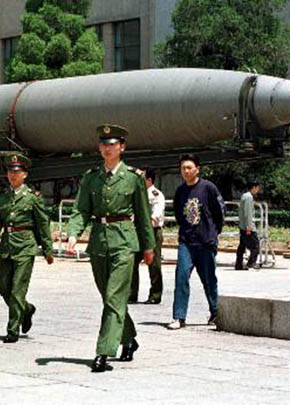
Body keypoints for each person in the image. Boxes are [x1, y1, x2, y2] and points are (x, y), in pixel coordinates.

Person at [66, 124, 155, 373]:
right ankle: (129, 338)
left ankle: (103, 352)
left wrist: (148, 247)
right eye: (104, 144)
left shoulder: (133, 178)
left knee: (115, 297)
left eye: (113, 144)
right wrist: (73, 232)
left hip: (125, 242)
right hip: (99, 243)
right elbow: (81, 209)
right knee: (109, 298)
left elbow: (143, 215)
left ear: (122, 147)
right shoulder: (91, 177)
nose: (107, 148)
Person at [0, 153, 54, 343]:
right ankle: (27, 309)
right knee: (4, 289)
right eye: (10, 171)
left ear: (25, 174)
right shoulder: (2, 197)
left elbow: (42, 224)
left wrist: (48, 249)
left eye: (17, 172)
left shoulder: (33, 198)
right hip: (6, 246)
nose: (13, 175)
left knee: (17, 290)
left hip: (25, 246)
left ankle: (12, 329)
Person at [168, 153, 225, 330]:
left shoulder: (208, 188)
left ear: (197, 169)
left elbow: (219, 212)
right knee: (181, 276)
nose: (185, 171)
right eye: (183, 168)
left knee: (209, 279)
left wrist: (214, 234)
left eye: (189, 168)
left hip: (206, 241)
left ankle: (215, 311)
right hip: (187, 241)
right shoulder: (180, 191)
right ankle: (179, 316)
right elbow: (179, 214)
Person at [129, 168, 165, 304]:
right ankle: (131, 294)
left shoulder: (156, 195)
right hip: (137, 232)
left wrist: (146, 225)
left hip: (152, 232)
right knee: (132, 263)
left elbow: (156, 214)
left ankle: (155, 295)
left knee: (154, 264)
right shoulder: (136, 194)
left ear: (149, 180)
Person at [235, 181, 261, 270]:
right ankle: (251, 263)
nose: (258, 190)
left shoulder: (244, 196)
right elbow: (248, 213)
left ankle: (238, 264)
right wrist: (249, 227)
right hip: (247, 226)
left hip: (242, 225)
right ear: (254, 187)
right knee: (255, 245)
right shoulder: (249, 197)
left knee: (242, 246)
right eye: (257, 188)